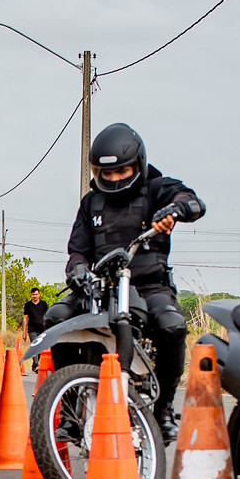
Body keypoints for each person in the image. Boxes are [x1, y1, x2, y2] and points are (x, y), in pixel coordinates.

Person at [36, 123, 204, 438]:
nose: (114, 179)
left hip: (149, 285)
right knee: (55, 317)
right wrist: (78, 270)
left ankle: (165, 408)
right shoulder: (91, 202)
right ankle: (71, 412)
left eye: (122, 171)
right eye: (107, 173)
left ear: (137, 165)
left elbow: (192, 201)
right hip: (99, 285)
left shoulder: (156, 189)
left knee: (173, 327)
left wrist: (174, 209)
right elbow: (77, 250)